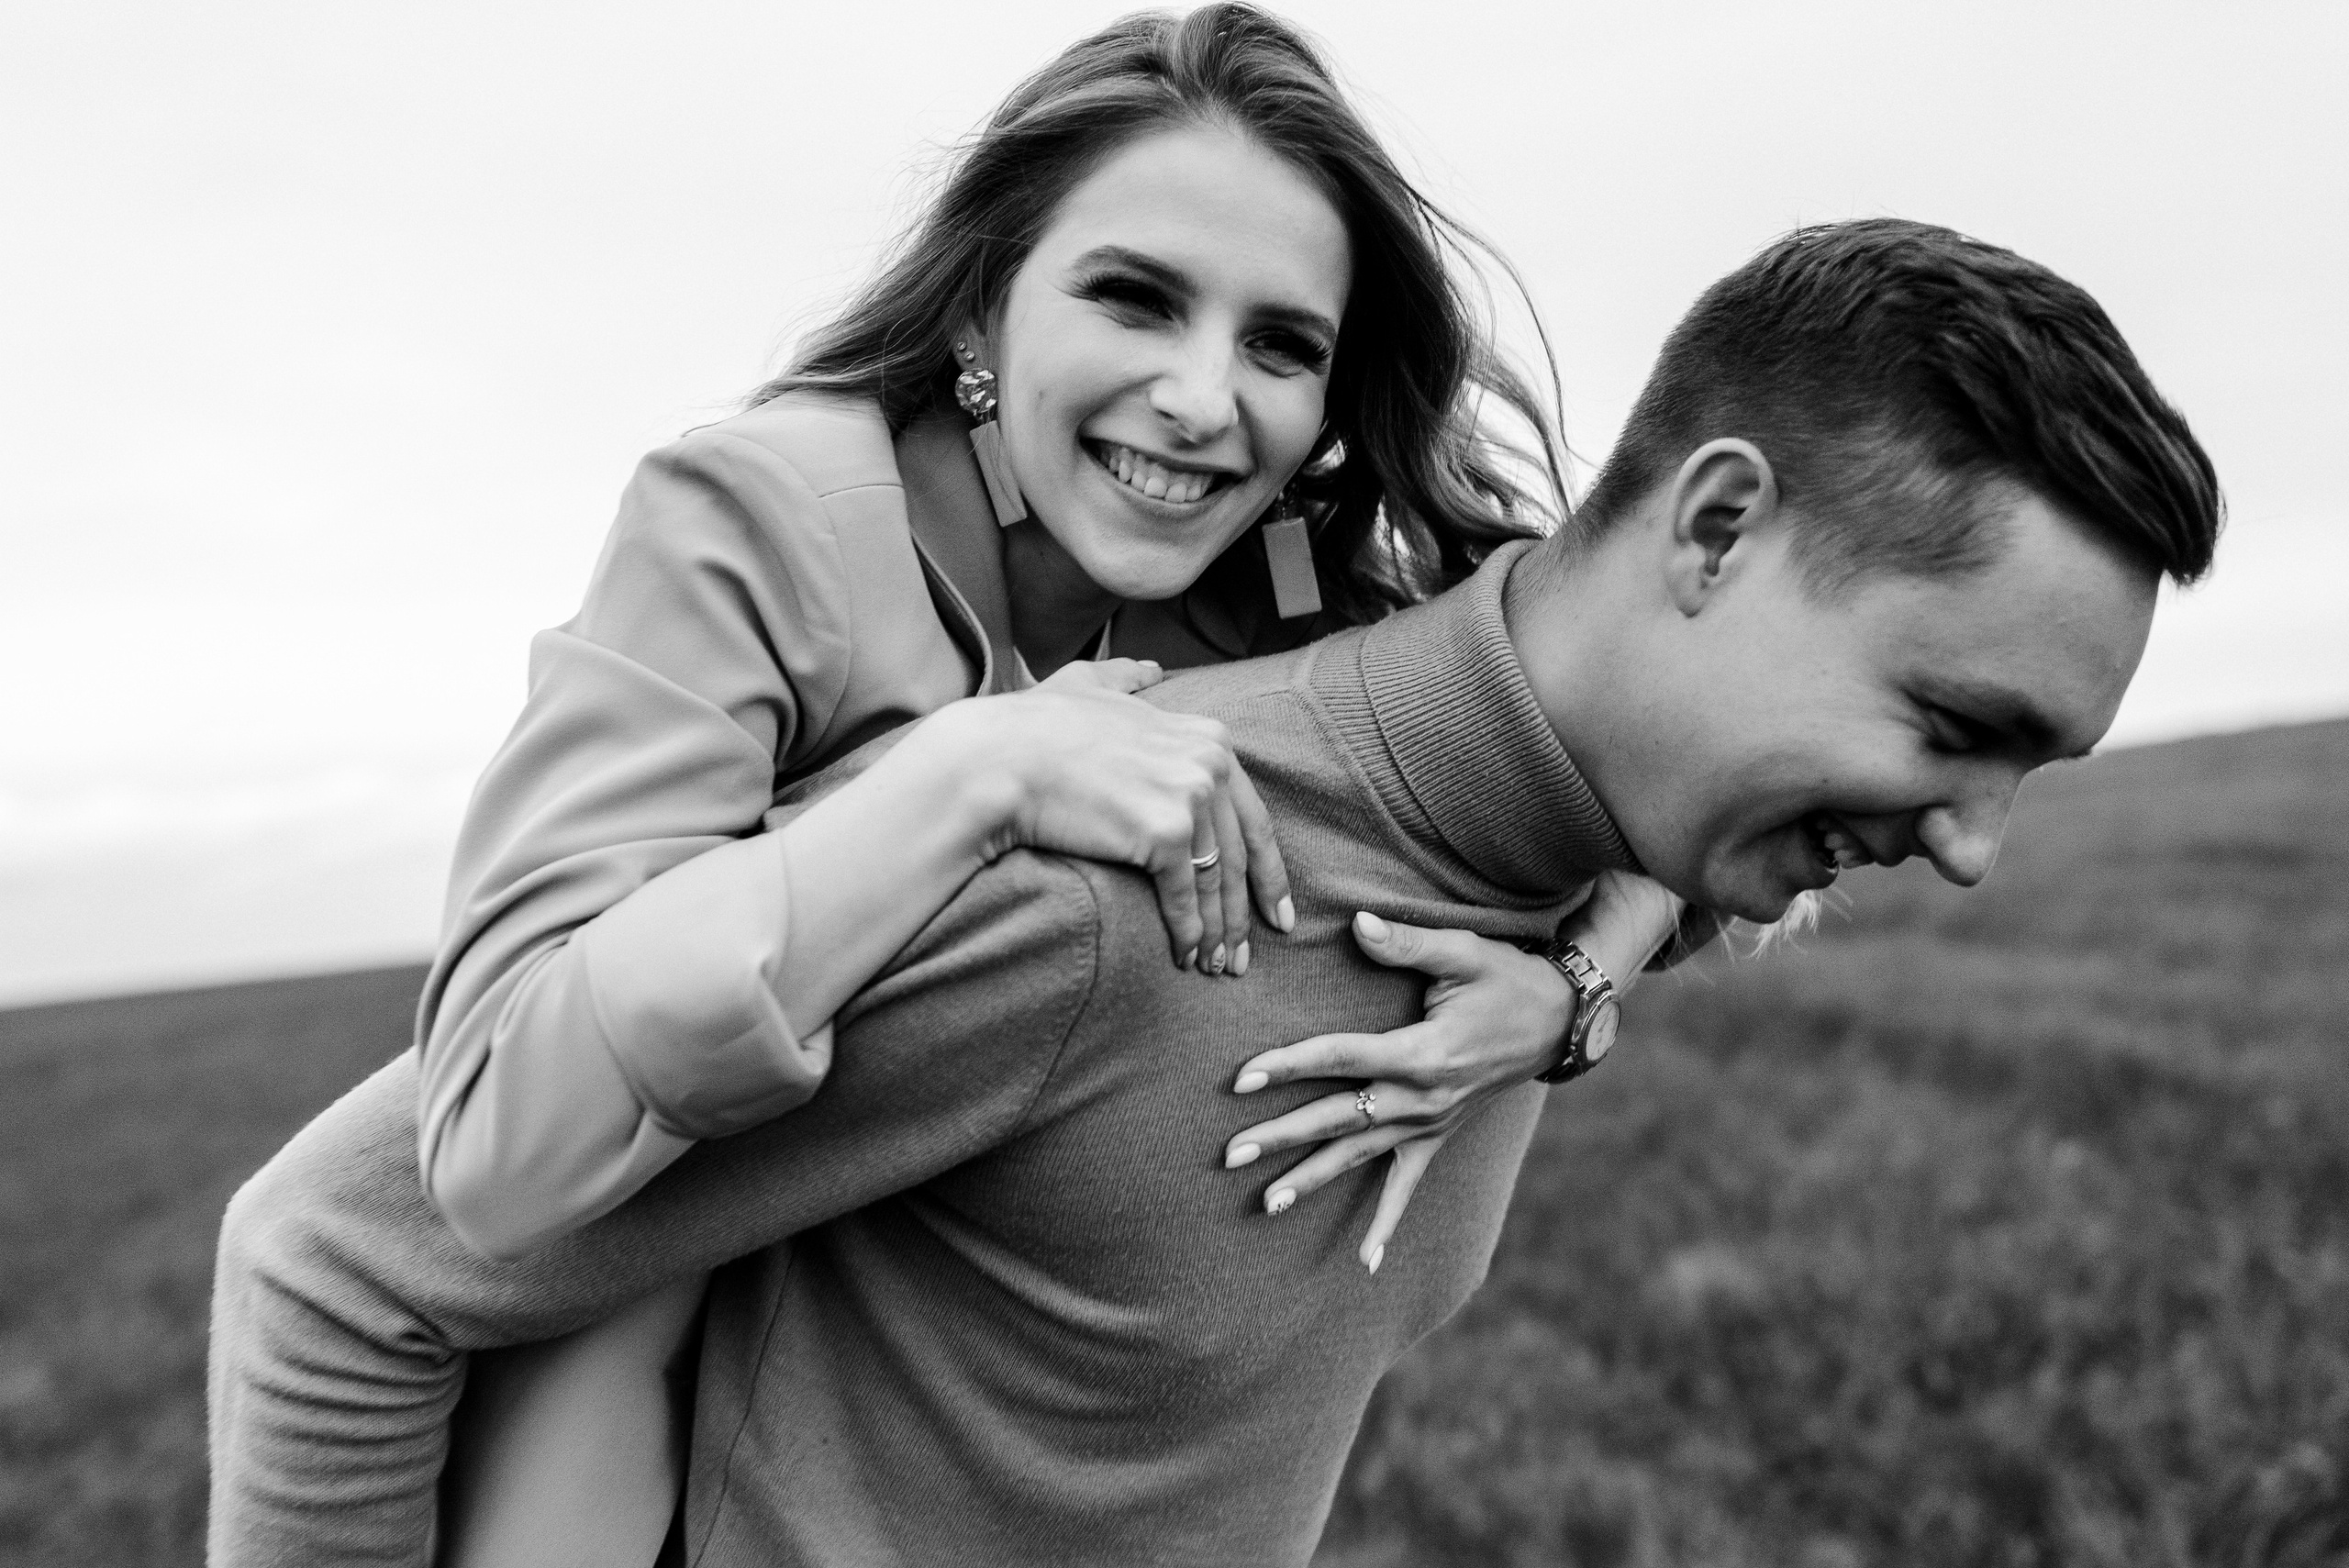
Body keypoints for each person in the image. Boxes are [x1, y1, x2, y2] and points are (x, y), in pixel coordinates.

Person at [209, 216, 2220, 1565]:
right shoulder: (1121, 880)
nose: (1967, 837)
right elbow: (333, 1261)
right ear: (1712, 526)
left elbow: (1642, 867)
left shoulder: (1587, 832)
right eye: (1952, 726)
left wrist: (1583, 990)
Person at [224, 8, 1701, 1565]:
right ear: (986, 313)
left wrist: (1572, 991)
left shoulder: (1305, 604)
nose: (1206, 400)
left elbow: (1667, 739)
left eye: (1282, 344)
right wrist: (974, 771)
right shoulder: (764, 518)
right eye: (1136, 299)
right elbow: (487, 1140)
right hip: (601, 1369)